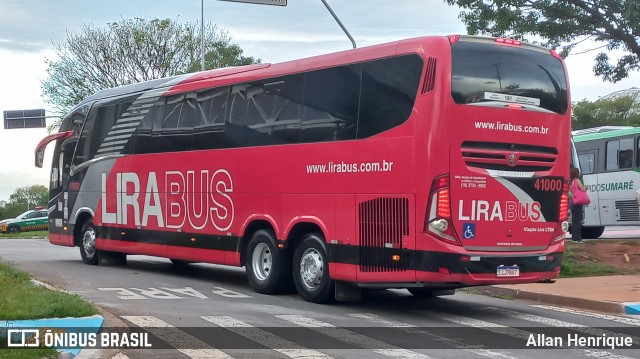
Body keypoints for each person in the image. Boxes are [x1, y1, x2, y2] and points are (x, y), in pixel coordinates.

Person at [570, 167, 585, 243]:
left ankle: (574, 238)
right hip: (578, 202)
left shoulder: (571, 182)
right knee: (578, 221)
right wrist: (586, 187)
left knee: (574, 220)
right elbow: (583, 189)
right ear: (576, 173)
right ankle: (577, 239)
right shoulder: (577, 180)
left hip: (572, 202)